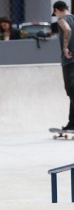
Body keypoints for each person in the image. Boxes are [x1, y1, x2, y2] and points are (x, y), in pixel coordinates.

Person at [52, 1, 74, 130]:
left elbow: (67, 29)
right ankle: (72, 124)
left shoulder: (61, 20)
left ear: (56, 10)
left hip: (69, 61)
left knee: (71, 91)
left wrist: (65, 47)